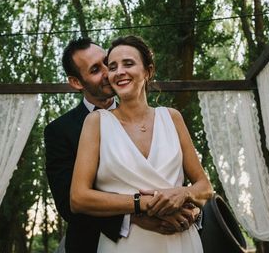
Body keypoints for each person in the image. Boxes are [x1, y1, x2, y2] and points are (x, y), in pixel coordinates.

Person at [45, 38, 193, 253]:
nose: (109, 72)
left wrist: (188, 209)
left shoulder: (162, 118)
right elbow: (69, 204)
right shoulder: (60, 131)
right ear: (77, 82)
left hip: (172, 237)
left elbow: (182, 181)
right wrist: (134, 217)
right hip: (98, 243)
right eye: (96, 69)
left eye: (108, 63)